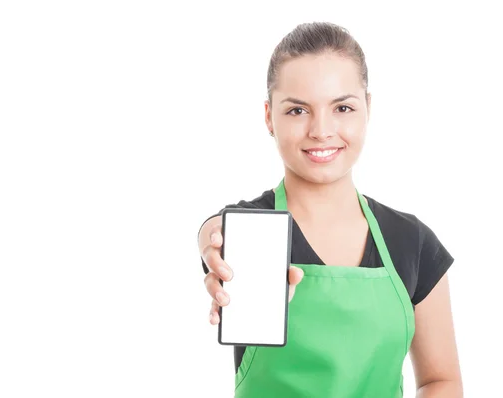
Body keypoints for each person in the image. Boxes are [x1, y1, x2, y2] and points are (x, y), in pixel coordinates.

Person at [197, 22, 463, 397]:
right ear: (269, 116)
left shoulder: (412, 242)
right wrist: (212, 246)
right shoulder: (251, 234)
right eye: (297, 111)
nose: (321, 130)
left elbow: (442, 380)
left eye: (342, 107)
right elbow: (216, 231)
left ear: (367, 108)